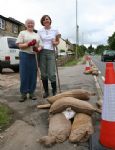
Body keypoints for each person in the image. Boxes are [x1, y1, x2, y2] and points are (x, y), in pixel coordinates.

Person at [16, 19, 42, 102]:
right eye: (29, 23)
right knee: (24, 74)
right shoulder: (22, 33)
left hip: (33, 55)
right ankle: (23, 94)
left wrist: (38, 49)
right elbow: (19, 45)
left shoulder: (37, 35)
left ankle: (31, 92)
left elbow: (41, 45)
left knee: (33, 75)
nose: (30, 24)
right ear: (26, 25)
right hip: (24, 54)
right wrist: (28, 44)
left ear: (34, 25)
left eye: (32, 23)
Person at [38, 15, 61, 98]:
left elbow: (58, 41)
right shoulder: (39, 31)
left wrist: (55, 43)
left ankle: (54, 90)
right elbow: (38, 41)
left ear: (50, 20)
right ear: (42, 22)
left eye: (47, 19)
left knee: (51, 73)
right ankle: (46, 92)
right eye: (44, 20)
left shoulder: (55, 30)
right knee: (43, 73)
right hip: (42, 52)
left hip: (51, 52)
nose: (46, 20)